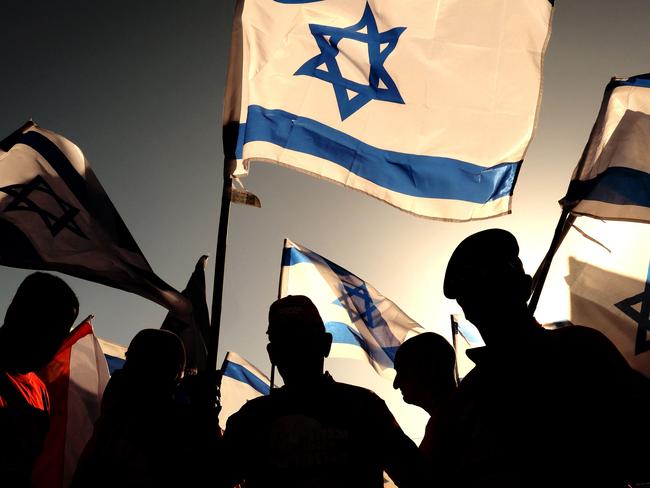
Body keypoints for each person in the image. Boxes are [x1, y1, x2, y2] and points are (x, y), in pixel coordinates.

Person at [439, 228, 650, 488]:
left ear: (524, 288)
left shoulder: (580, 349)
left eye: (494, 288)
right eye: (473, 297)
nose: (480, 304)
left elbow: (640, 444)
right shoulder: (466, 396)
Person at [220, 295, 429, 488]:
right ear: (272, 353)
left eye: (304, 340)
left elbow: (419, 479)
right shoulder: (250, 419)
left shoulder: (366, 408)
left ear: (326, 344)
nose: (296, 351)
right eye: (287, 342)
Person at [72, 329, 220, 488]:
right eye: (130, 359)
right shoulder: (119, 409)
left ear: (169, 371)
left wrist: (204, 417)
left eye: (140, 361)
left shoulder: (180, 428)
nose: (126, 369)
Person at [0, 272, 79, 488]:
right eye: (47, 326)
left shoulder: (41, 391)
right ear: (15, 313)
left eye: (61, 332)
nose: (54, 343)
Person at [392, 332, 456, 464]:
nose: (396, 384)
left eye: (402, 372)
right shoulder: (446, 420)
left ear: (429, 368)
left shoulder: (451, 425)